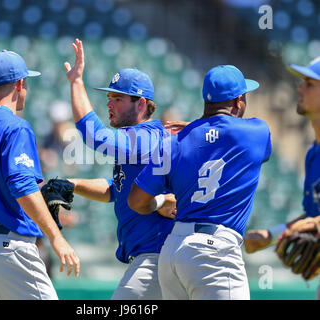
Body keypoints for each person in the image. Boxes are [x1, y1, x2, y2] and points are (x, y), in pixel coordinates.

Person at [128, 65, 272, 300]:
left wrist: (160, 203)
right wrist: (202, 131)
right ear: (238, 102)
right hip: (214, 253)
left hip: (173, 251)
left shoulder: (174, 142)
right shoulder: (255, 132)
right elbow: (243, 145)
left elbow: (136, 201)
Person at [61, 38, 184, 299]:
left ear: (141, 103)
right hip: (155, 256)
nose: (109, 104)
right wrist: (73, 184)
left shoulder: (147, 137)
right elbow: (116, 189)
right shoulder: (142, 140)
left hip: (157, 256)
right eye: (109, 97)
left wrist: (76, 83)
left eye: (117, 98)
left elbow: (95, 136)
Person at [0, 35, 80, 300]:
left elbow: (0, 121)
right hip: (8, 250)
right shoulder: (16, 127)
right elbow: (24, 189)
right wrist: (56, 238)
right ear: (20, 84)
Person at [244, 58, 320, 290]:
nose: (300, 88)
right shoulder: (314, 154)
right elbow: (311, 217)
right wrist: (271, 234)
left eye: (310, 83)